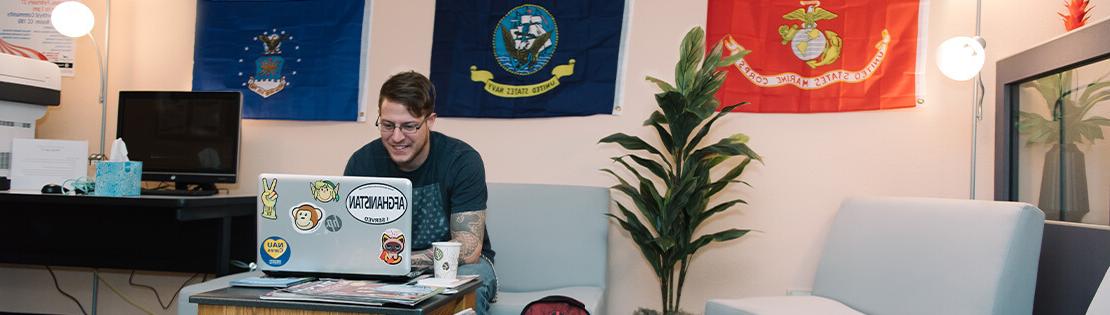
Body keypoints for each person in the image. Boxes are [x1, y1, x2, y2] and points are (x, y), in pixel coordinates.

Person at [344, 71, 497, 313]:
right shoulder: (362, 163)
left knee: (471, 288)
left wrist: (396, 260)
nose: (396, 137)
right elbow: (352, 240)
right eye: (387, 125)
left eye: (409, 126)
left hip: (458, 267)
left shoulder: (461, 160)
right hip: (383, 267)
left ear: (430, 121)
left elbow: (468, 250)